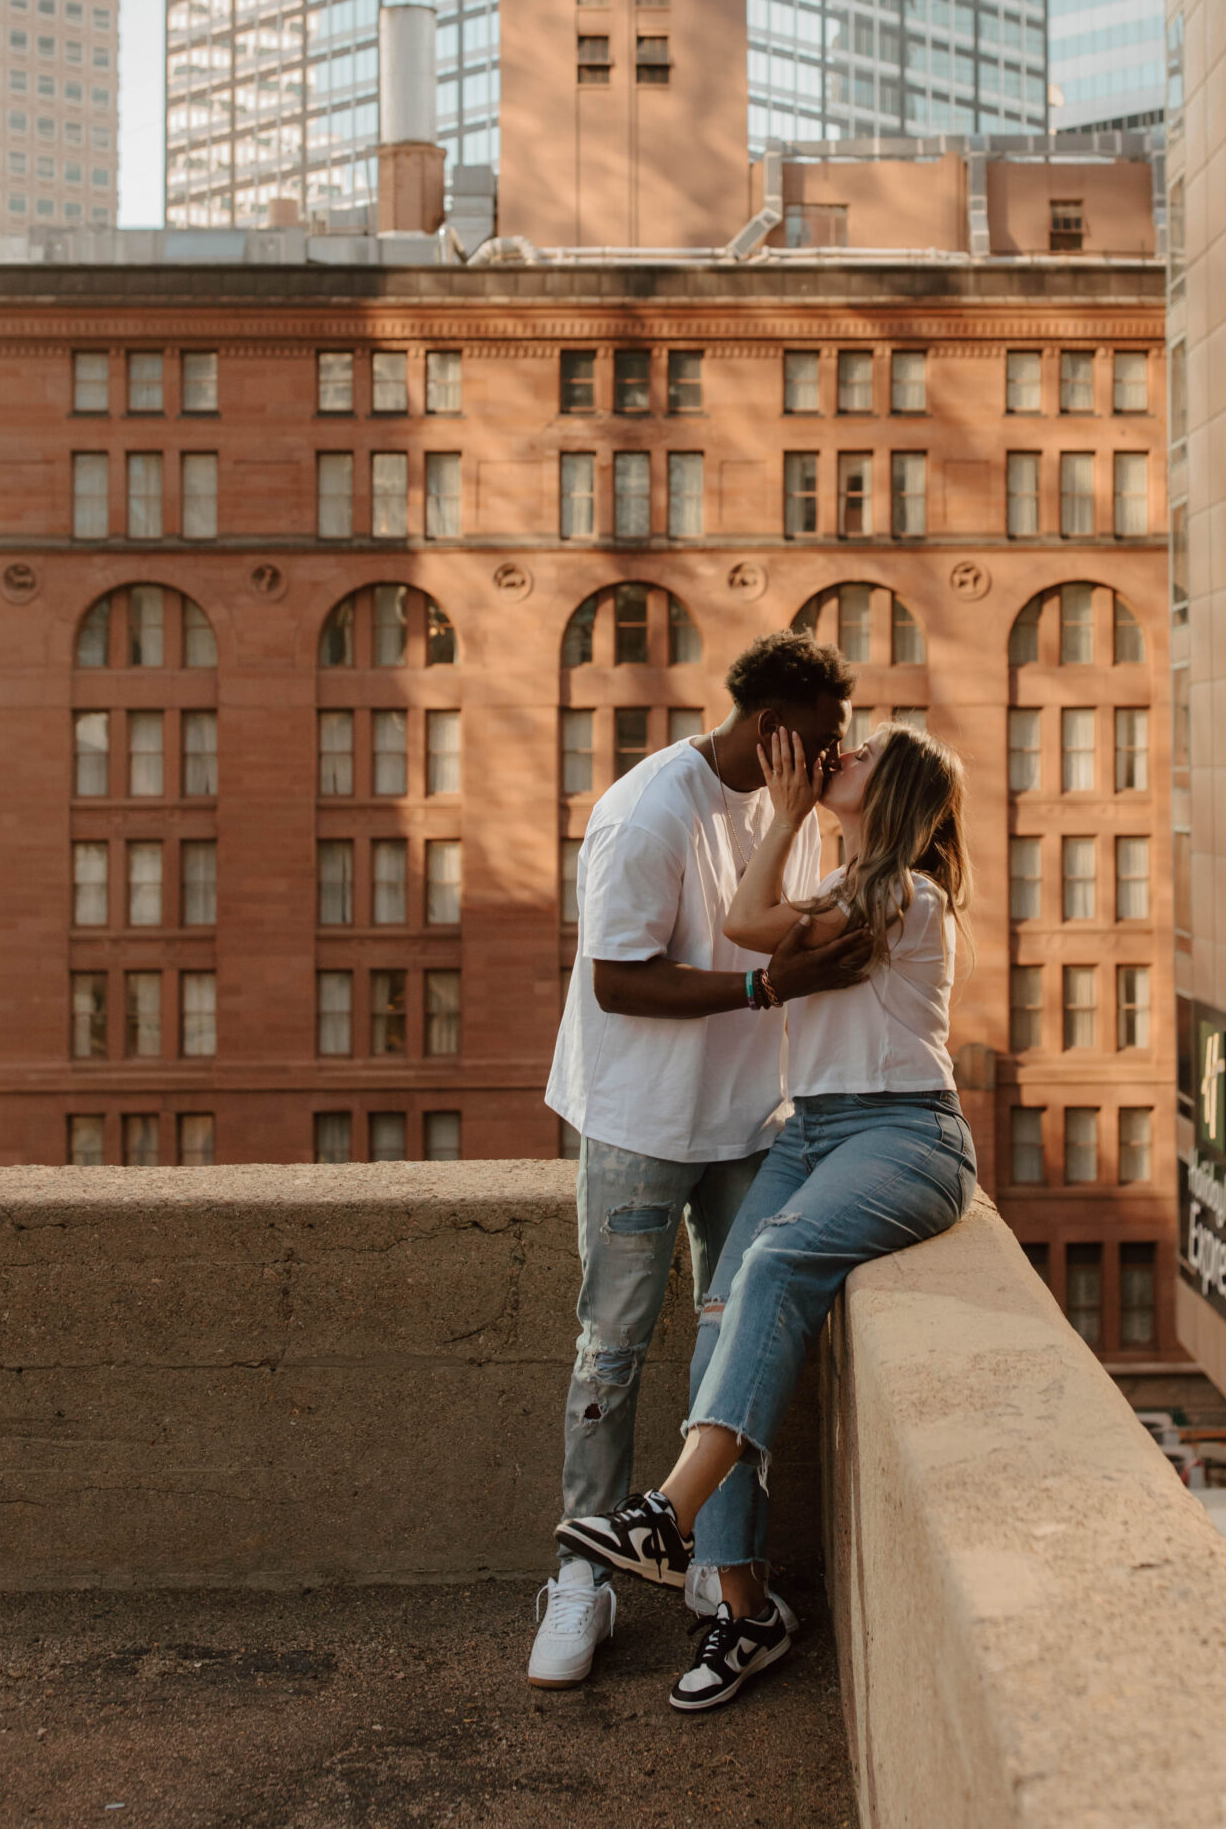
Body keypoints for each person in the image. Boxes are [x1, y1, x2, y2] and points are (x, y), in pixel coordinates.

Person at [557, 718, 977, 1711]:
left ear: (900, 793)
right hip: (810, 1133)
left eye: (863, 753)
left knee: (775, 1264)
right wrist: (788, 815)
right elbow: (750, 925)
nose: (844, 753)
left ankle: (669, 1508)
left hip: (906, 1135)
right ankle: (742, 1608)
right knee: (719, 1322)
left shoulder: (905, 895)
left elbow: (755, 929)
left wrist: (788, 814)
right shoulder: (844, 882)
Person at [528, 628, 872, 1689]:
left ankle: (714, 1564)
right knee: (613, 1346)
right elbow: (617, 982)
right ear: (772, 732)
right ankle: (581, 1570)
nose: (832, 759)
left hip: (748, 1123)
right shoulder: (647, 812)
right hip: (638, 1123)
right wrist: (768, 990)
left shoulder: (788, 812)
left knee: (736, 1349)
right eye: (819, 744)